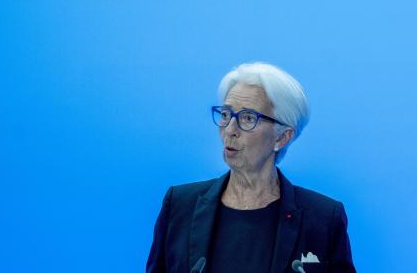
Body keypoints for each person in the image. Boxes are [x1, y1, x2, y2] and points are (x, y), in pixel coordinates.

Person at [147, 62, 356, 272]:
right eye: (226, 114)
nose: (230, 129)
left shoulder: (323, 219)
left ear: (282, 137)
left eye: (247, 118)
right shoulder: (180, 206)